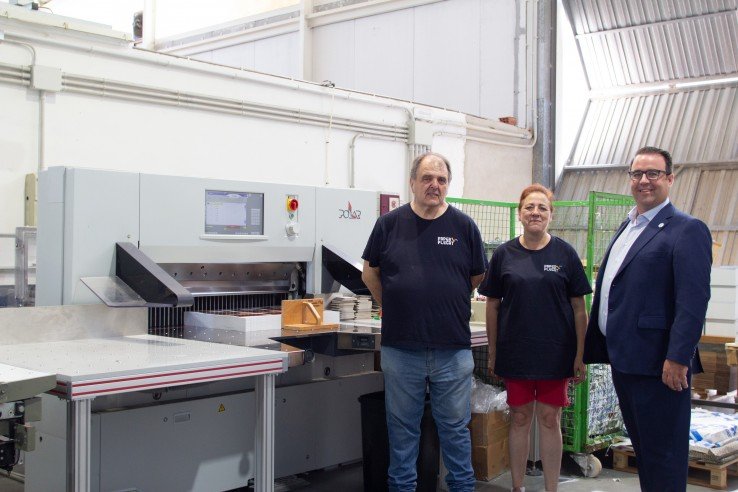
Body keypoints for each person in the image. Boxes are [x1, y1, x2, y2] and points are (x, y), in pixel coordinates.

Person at [583, 146, 712, 491]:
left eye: (653, 173)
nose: (644, 180)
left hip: (659, 365)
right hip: (626, 361)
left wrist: (677, 357)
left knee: (664, 456)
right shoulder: (629, 226)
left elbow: (693, 300)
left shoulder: (686, 229)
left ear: (670, 178)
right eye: (637, 174)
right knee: (646, 451)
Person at [361, 151, 487, 492]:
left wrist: (437, 298)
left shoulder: (464, 227)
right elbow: (370, 272)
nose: (435, 185)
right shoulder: (388, 225)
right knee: (401, 433)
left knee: (455, 432)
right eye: (428, 178)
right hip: (402, 349)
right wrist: (399, 303)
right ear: (413, 182)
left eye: (442, 180)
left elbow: (476, 276)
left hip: (452, 349)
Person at [478, 184, 591, 492]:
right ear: (520, 213)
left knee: (550, 419)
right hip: (516, 353)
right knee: (519, 418)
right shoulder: (504, 254)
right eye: (529, 207)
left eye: (542, 207)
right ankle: (518, 487)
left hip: (556, 353)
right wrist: (493, 353)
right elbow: (492, 305)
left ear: (551, 215)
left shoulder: (565, 253)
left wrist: (581, 354)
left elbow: (579, 308)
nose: (535, 212)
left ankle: (551, 488)